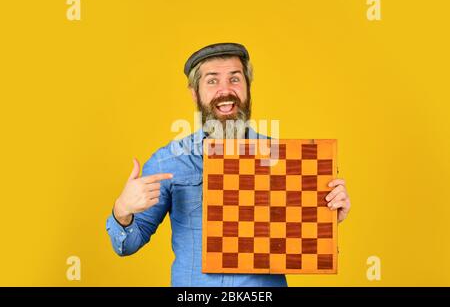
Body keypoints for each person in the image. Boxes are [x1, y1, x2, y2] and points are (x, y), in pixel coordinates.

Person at [106, 43, 351, 286]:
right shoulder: (169, 160)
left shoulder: (285, 159)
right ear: (195, 93)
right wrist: (122, 210)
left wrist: (325, 216)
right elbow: (127, 244)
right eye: (212, 81)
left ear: (247, 87)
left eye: (235, 79)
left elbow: (296, 245)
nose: (225, 90)